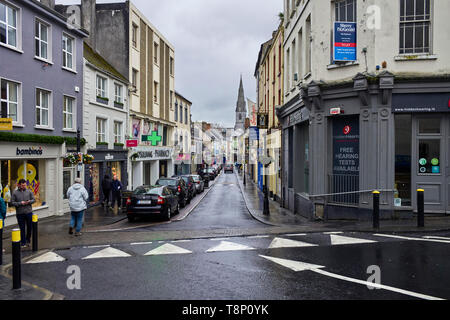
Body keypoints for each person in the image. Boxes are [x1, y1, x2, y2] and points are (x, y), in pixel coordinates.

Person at [11, 179, 35, 247]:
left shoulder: (29, 191)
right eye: (22, 185)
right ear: (19, 185)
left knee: (30, 227)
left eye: (25, 185)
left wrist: (29, 201)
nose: (24, 186)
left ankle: (28, 240)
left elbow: (34, 200)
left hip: (29, 212)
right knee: (22, 228)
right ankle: (23, 242)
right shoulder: (15, 193)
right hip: (20, 213)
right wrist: (20, 203)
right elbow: (12, 203)